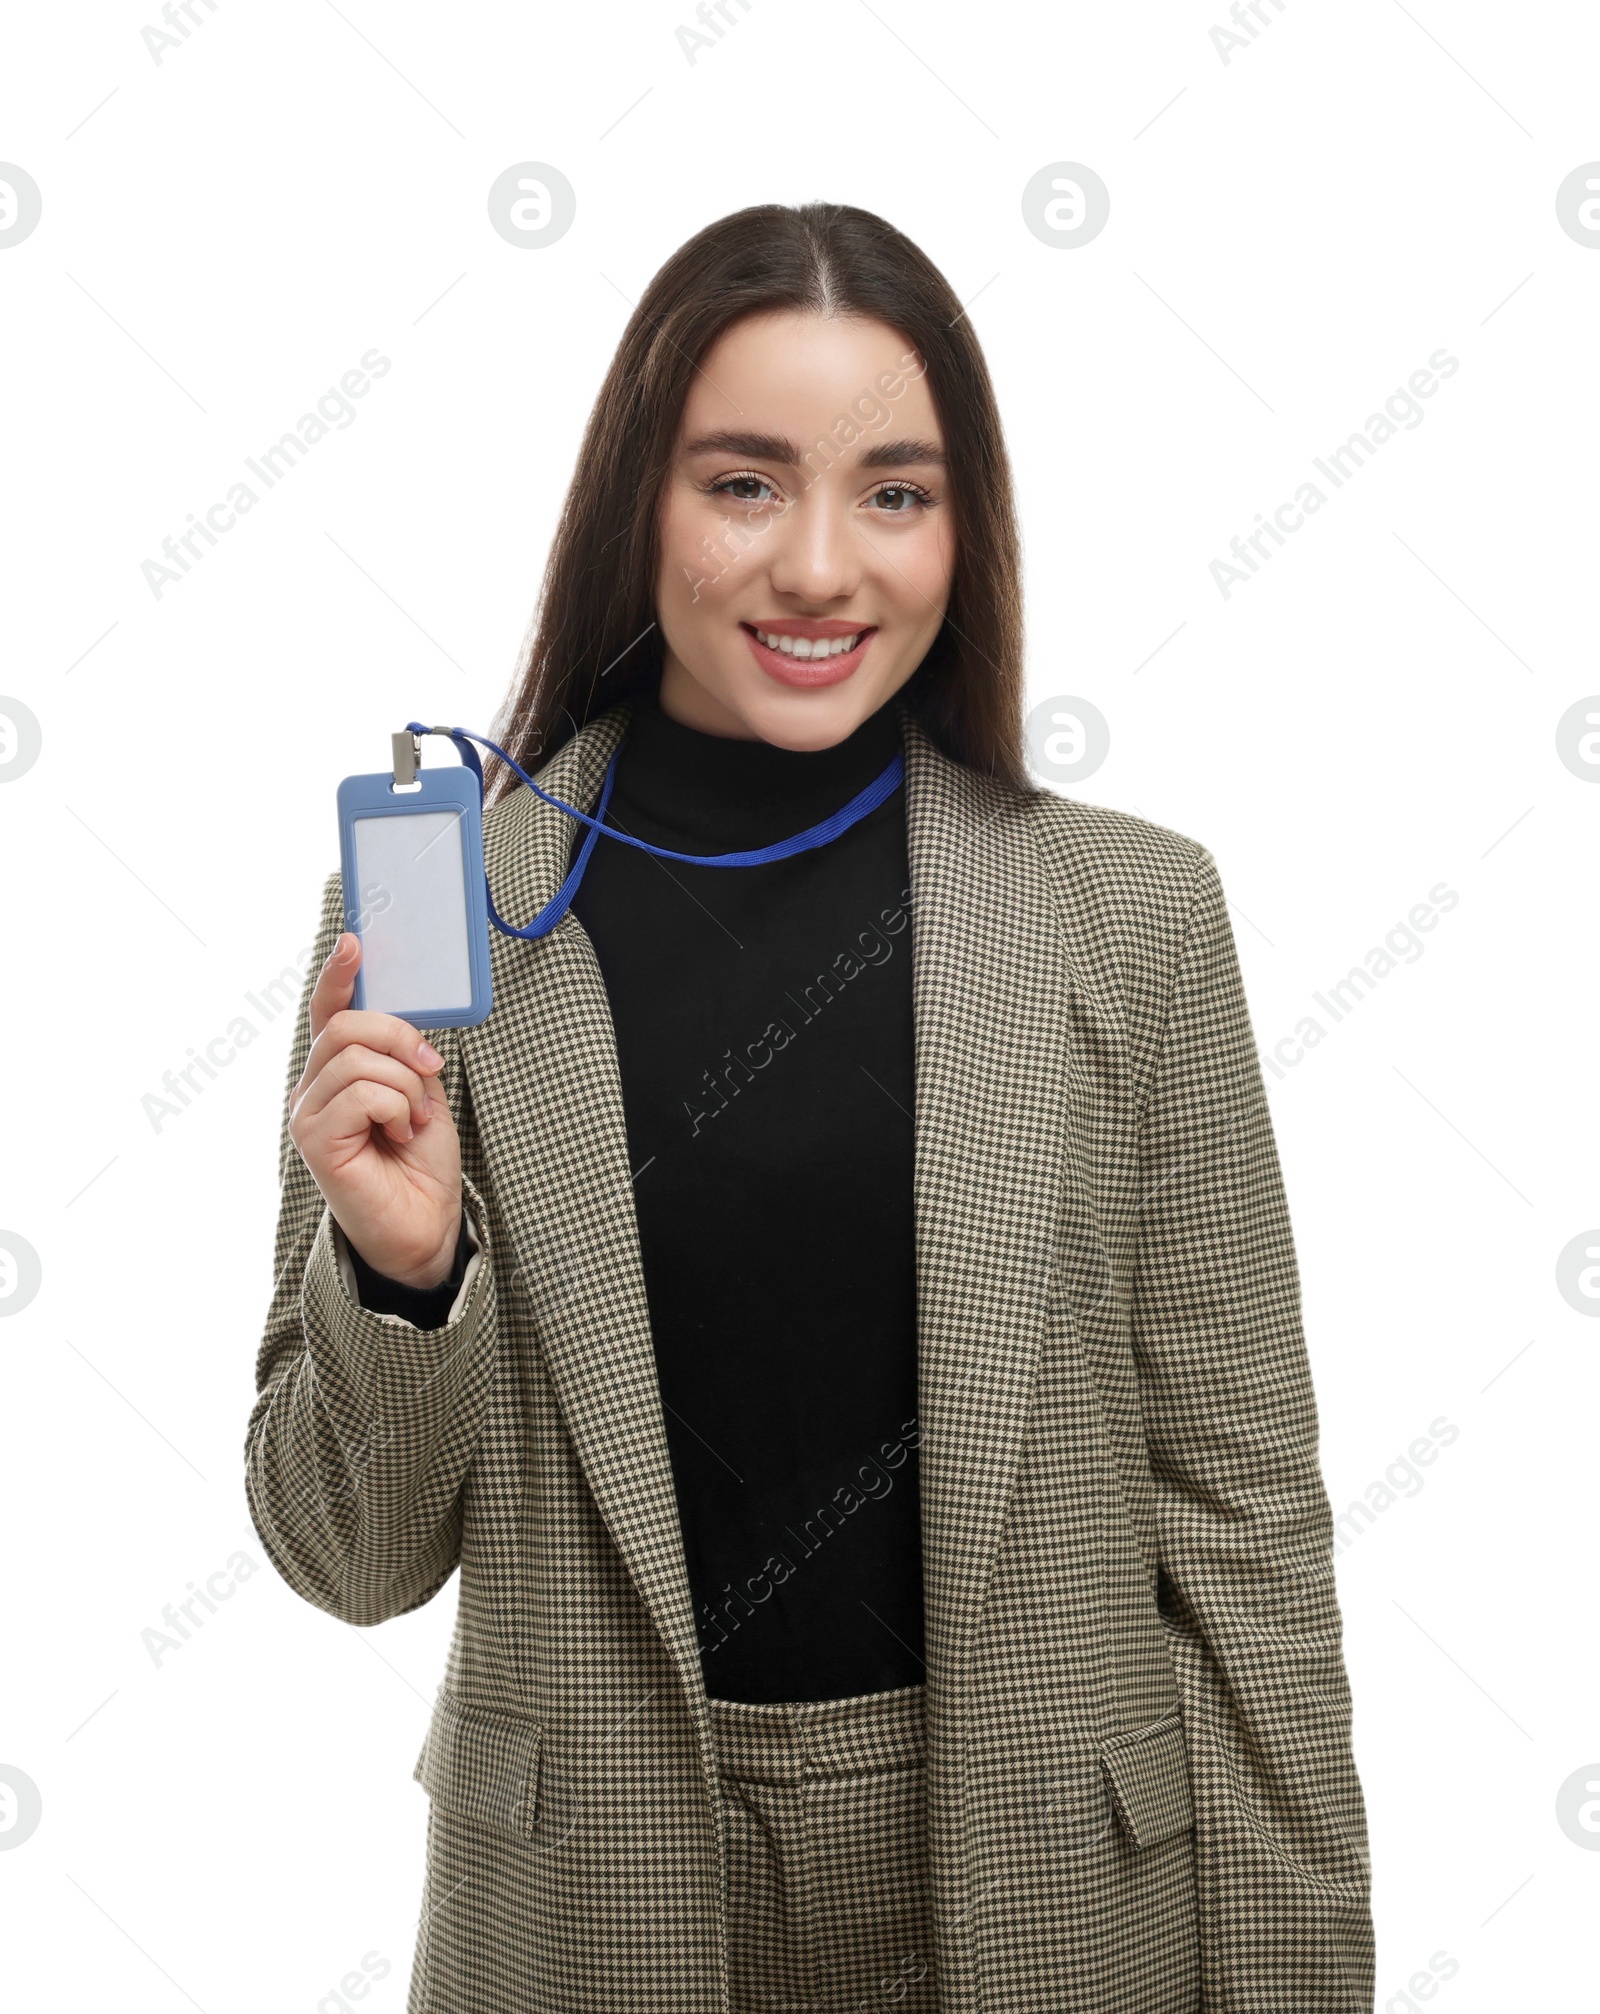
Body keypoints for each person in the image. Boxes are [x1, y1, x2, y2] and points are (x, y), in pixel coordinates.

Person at [246, 201, 1375, 2014]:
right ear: (641, 501)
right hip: (591, 1908)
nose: (824, 568)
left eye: (899, 493)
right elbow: (348, 1558)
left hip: (1056, 1900)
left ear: (967, 526)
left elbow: (1242, 1520)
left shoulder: (1134, 916)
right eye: (746, 483)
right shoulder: (433, 902)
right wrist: (402, 1275)